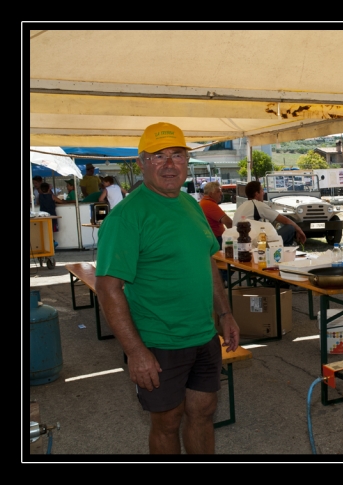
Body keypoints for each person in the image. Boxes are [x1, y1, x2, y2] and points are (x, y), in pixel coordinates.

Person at [94, 121, 240, 455]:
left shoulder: (191, 205)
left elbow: (207, 262)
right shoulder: (127, 217)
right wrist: (135, 351)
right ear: (142, 163)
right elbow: (108, 288)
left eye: (177, 155)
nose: (170, 164)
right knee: (167, 422)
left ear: (188, 161)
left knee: (203, 413)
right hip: (158, 343)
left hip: (203, 336)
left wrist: (226, 314)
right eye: (158, 156)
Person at [231, 180, 306, 247]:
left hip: (239, 243)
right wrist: (299, 230)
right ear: (256, 193)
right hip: (254, 243)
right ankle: (283, 254)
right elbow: (285, 220)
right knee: (290, 228)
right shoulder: (257, 204)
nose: (263, 193)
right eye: (262, 190)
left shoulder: (241, 206)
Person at [199, 181, 233, 250]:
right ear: (211, 193)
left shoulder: (204, 202)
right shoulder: (209, 204)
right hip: (216, 240)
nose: (221, 194)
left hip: (212, 238)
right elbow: (228, 221)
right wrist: (234, 233)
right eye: (218, 191)